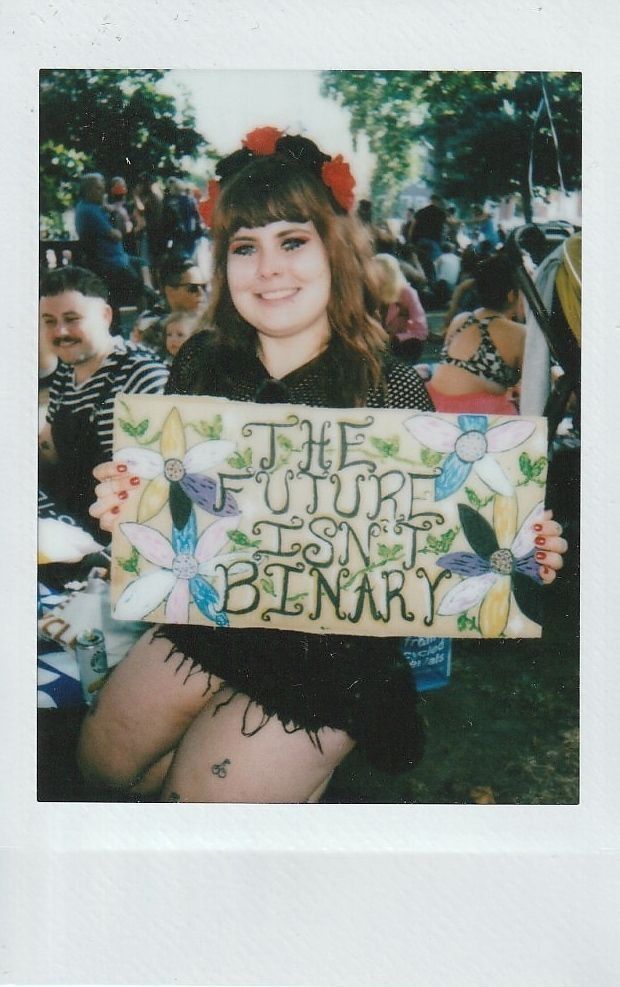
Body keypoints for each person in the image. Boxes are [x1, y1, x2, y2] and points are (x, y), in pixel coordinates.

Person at [78, 129, 566, 803]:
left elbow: (437, 537)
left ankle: (294, 792)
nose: (268, 267)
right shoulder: (199, 363)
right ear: (225, 264)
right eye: (245, 247)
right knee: (102, 766)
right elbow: (172, 500)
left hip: (329, 659)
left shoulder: (389, 387)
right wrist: (129, 503)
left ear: (333, 249)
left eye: (292, 240)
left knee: (201, 804)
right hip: (217, 620)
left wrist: (516, 545)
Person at [38, 266, 169, 541]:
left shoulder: (142, 375)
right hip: (73, 525)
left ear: (106, 316)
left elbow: (157, 488)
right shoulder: (66, 370)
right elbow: (50, 450)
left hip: (118, 535)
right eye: (49, 321)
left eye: (72, 319)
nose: (61, 332)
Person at [427, 250, 525, 414]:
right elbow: (531, 386)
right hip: (477, 411)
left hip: (435, 402)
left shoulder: (461, 319)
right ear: (511, 295)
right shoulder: (519, 333)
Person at [74, 172, 157, 313]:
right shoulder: (89, 211)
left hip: (117, 257)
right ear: (88, 190)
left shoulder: (91, 206)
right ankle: (144, 314)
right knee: (138, 287)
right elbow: (117, 235)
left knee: (142, 263)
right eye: (99, 189)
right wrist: (119, 223)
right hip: (109, 262)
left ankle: (149, 290)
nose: (103, 192)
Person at [132, 255, 208, 353]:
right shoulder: (150, 324)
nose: (201, 293)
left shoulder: (210, 316)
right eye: (193, 288)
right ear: (170, 291)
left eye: (204, 287)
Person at [372, 252, 428, 363]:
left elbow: (421, 330)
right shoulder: (371, 291)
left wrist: (396, 338)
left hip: (399, 344)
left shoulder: (407, 293)